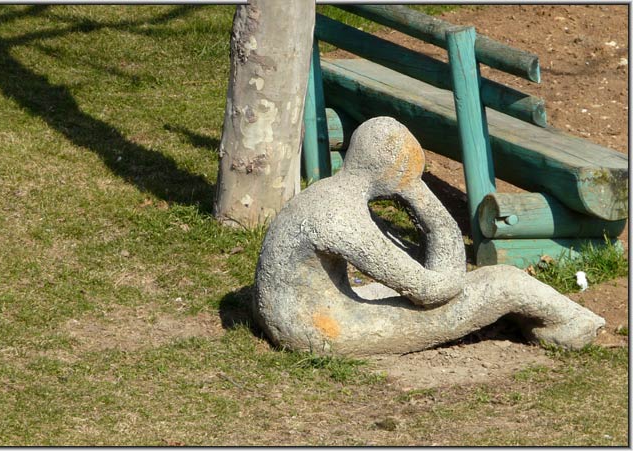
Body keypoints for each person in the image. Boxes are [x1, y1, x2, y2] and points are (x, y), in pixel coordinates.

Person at [253, 117, 604, 356]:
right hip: (319, 331)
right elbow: (431, 291)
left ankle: (528, 316)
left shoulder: (326, 193)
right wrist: (417, 193)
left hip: (300, 312)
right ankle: (570, 326)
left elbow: (426, 282)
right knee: (503, 282)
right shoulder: (341, 216)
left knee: (446, 287)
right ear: (397, 168)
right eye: (413, 172)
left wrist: (411, 189)